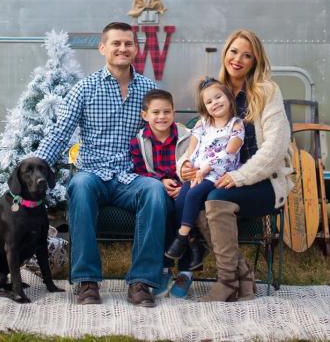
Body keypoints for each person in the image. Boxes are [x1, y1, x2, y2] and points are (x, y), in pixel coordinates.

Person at [35, 22, 168, 308]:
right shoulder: (85, 88)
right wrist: (34, 167)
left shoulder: (148, 89)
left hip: (131, 177)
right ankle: (87, 281)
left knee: (155, 191)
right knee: (79, 185)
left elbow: (163, 133)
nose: (123, 48)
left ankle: (142, 282)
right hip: (92, 173)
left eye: (128, 44)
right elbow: (60, 132)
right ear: (103, 48)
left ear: (136, 49)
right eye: (116, 43)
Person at [178, 29, 294, 302]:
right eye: (233, 52)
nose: (238, 59)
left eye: (247, 55)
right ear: (225, 52)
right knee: (189, 196)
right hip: (220, 177)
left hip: (262, 182)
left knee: (214, 198)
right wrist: (184, 163)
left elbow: (276, 147)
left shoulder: (267, 92)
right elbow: (198, 137)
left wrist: (239, 176)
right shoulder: (215, 90)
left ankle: (227, 282)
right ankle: (241, 278)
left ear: (256, 61)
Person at [127, 88, 203, 297]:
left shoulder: (188, 138)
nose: (162, 117)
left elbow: (198, 163)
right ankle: (164, 268)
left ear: (174, 112)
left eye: (167, 112)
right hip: (159, 189)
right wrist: (160, 181)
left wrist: (182, 185)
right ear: (145, 115)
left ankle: (187, 271)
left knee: (182, 207)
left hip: (186, 187)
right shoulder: (139, 142)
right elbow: (138, 170)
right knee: (162, 208)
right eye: (156, 112)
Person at [165, 79, 243, 265]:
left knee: (193, 195)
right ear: (204, 107)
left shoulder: (236, 124)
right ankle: (194, 244)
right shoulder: (202, 124)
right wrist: (187, 167)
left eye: (218, 97)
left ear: (228, 98)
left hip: (219, 174)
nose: (214, 102)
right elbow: (191, 151)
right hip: (198, 173)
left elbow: (230, 152)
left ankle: (182, 237)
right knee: (180, 201)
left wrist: (206, 168)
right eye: (209, 101)